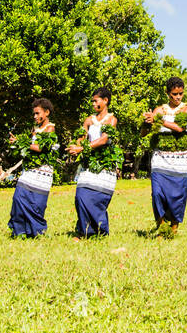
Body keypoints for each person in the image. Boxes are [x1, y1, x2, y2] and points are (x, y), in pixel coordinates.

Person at [143, 77, 187, 236]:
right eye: (174, 94)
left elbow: (180, 128)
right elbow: (144, 133)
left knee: (178, 194)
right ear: (167, 93)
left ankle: (174, 228)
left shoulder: (186, 109)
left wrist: (159, 120)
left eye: (180, 93)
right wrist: (147, 122)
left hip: (180, 160)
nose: (178, 97)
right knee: (157, 192)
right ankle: (161, 226)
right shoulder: (158, 110)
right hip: (160, 159)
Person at [69, 89, 119, 238]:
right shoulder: (89, 120)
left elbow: (104, 139)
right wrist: (76, 145)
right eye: (92, 101)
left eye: (96, 100)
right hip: (88, 164)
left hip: (104, 165)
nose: (93, 104)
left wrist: (81, 148)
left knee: (97, 198)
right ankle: (84, 230)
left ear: (105, 101)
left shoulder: (112, 119)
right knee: (81, 196)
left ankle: (99, 231)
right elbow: (81, 137)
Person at [9, 99, 58, 238]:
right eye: (34, 114)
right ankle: (20, 230)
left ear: (47, 112)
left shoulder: (50, 128)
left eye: (38, 113)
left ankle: (37, 231)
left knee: (36, 202)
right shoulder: (34, 129)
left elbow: (40, 148)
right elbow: (30, 147)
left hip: (43, 171)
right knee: (19, 197)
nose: (35, 117)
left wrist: (20, 142)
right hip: (29, 170)